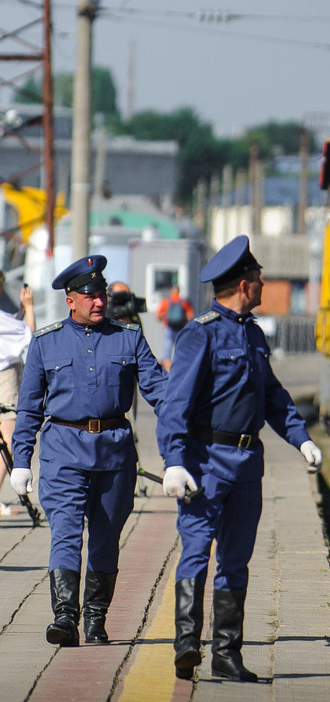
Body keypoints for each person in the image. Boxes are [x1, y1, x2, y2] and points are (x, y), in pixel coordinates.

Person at [155, 235, 321, 682]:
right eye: (259, 278)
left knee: (236, 559)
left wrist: (301, 439)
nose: (264, 283)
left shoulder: (251, 334)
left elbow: (272, 396)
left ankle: (227, 655)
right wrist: (174, 460)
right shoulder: (199, 333)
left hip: (247, 465)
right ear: (245, 285)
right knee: (195, 550)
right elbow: (175, 404)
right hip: (205, 461)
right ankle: (187, 644)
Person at [8, 255, 168, 646]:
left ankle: (95, 618)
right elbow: (29, 407)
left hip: (114, 453)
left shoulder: (129, 337)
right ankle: (65, 617)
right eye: (90, 295)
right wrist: (21, 460)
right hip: (63, 450)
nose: (99, 301)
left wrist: (190, 435)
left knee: (105, 536)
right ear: (70, 299)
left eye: (103, 294)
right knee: (64, 532)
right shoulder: (47, 343)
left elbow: (161, 394)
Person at [0, 274, 35, 515]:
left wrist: (21, 313)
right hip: (5, 380)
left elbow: (13, 330)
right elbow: (29, 335)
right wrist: (30, 308)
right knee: (9, 441)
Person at [155, 285, 193, 362]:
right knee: (180, 348)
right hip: (180, 327)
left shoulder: (165, 301)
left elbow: (158, 316)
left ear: (171, 291)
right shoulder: (183, 302)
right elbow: (190, 315)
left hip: (168, 327)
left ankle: (167, 367)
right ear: (179, 292)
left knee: (167, 350)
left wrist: (164, 317)